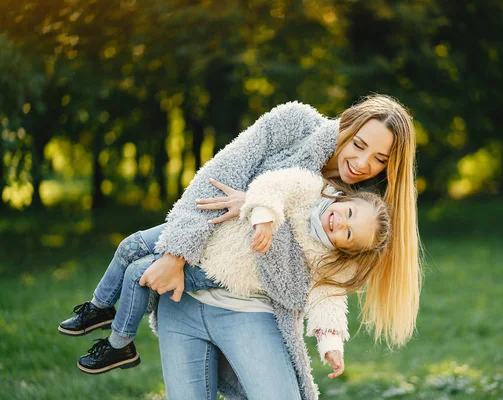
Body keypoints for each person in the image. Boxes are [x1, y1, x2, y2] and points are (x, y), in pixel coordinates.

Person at [67, 94, 420, 400]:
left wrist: (253, 205)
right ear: (346, 124)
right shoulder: (294, 125)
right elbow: (220, 174)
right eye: (359, 145)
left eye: (379, 159)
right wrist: (175, 256)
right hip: (184, 293)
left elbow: (308, 285)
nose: (362, 164)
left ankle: (116, 337)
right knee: (134, 256)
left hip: (251, 311)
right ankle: (107, 324)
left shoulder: (363, 215)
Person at [58, 167, 390, 378]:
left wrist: (331, 344)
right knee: (130, 246)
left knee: (139, 274)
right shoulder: (311, 189)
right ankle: (99, 308)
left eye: (347, 233)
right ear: (348, 198)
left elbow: (328, 300)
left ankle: (120, 346)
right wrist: (263, 216)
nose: (340, 223)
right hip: (211, 235)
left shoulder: (324, 259)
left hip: (223, 271)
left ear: (345, 248)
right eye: (347, 213)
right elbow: (272, 184)